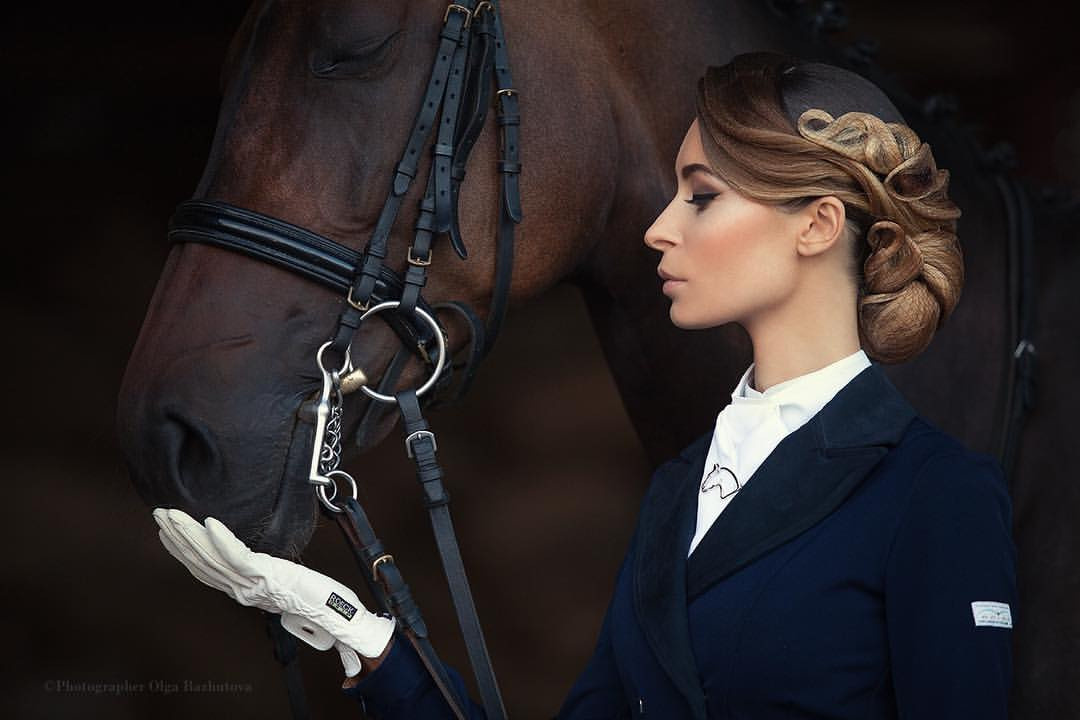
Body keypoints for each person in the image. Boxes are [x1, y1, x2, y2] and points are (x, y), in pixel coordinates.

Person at [153, 51, 1017, 718]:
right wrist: (373, 642)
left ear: (818, 225)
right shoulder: (681, 489)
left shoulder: (936, 496)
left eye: (701, 196)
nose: (659, 228)